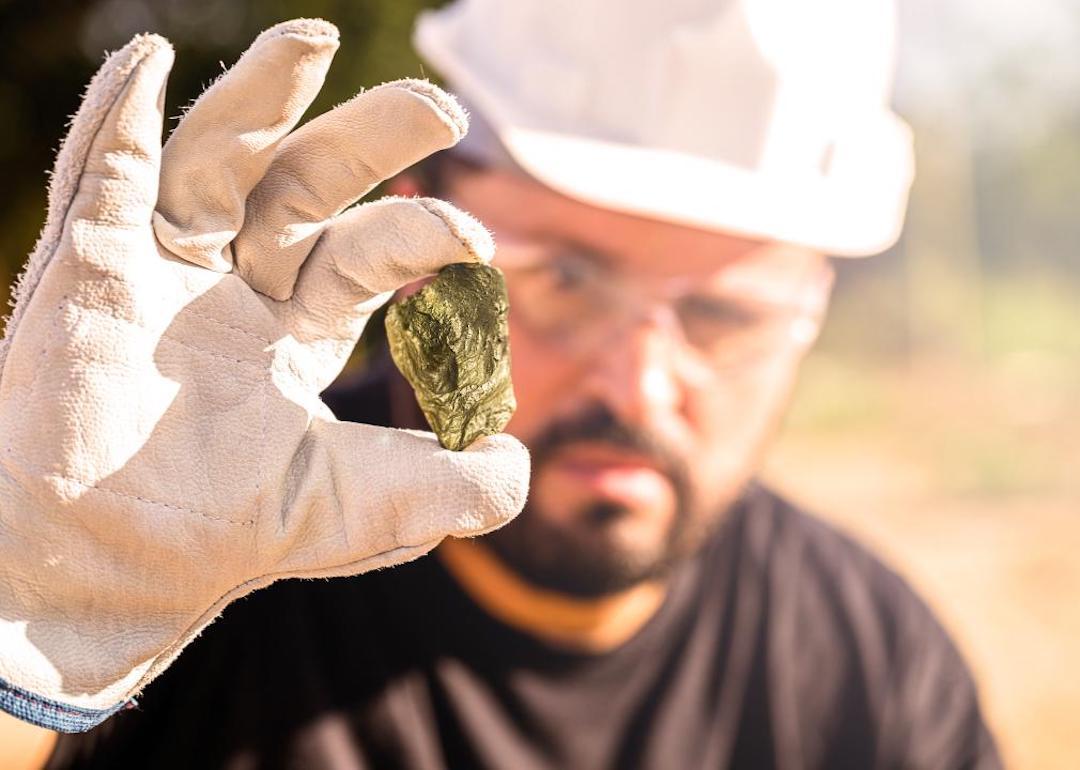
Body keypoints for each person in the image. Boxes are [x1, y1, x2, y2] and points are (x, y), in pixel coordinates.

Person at [0, 1, 1003, 768]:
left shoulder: (874, 673)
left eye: (722, 314)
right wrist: (30, 636)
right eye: (564, 279)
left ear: (810, 312)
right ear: (413, 232)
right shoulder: (193, 550)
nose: (637, 384)